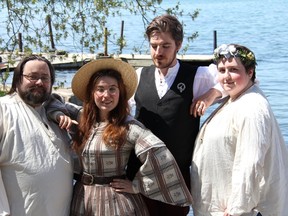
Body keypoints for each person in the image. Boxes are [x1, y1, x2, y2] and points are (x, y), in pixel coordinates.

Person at [68, 58, 193, 215]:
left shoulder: (128, 127)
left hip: (115, 202)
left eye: (112, 89)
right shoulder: (83, 120)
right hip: (82, 198)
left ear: (120, 93)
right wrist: (58, 114)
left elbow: (159, 153)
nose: (106, 95)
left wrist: (138, 186)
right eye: (100, 89)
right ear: (92, 93)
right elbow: (53, 102)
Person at [126, 14, 223, 216]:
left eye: (165, 46)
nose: (158, 52)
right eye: (154, 46)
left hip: (176, 178)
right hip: (139, 176)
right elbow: (120, 112)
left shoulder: (197, 75)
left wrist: (210, 95)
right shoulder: (138, 76)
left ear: (178, 45)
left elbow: (232, 82)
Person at [191, 44, 288, 216]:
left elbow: (250, 162)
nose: (226, 77)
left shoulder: (252, 108)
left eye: (233, 69)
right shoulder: (237, 98)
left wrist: (238, 208)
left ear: (250, 72)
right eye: (221, 70)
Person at [0, 55, 74, 216]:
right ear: (18, 79)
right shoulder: (3, 110)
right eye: (32, 77)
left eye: (45, 78)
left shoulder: (55, 112)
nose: (39, 82)